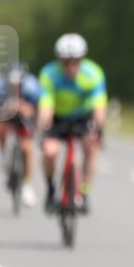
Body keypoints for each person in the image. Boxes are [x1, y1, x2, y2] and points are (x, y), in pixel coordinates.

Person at [37, 33, 107, 214]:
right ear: (59, 60)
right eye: (65, 62)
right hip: (57, 117)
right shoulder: (49, 74)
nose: (70, 66)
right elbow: (45, 108)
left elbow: (99, 107)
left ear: (82, 59)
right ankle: (51, 189)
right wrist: (44, 132)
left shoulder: (93, 74)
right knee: (50, 151)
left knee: (91, 147)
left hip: (82, 117)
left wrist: (99, 131)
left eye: (75, 61)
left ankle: (84, 193)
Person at [0, 62, 40, 207]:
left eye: (18, 84)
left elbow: (34, 110)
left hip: (25, 116)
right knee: (1, 129)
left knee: (26, 147)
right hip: (7, 114)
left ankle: (28, 185)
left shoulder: (32, 86)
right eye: (12, 84)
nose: (15, 87)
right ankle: (3, 154)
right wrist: (10, 107)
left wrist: (22, 108)